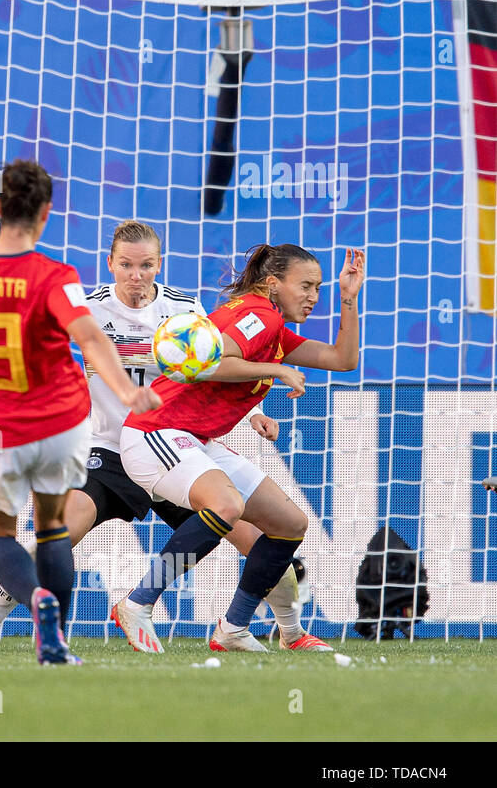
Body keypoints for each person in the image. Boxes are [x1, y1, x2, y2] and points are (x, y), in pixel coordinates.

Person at [0, 221, 331, 653]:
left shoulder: (184, 310)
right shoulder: (88, 310)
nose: (136, 275)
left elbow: (215, 368)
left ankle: (292, 632)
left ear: (158, 265)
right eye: (127, 265)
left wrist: (256, 411)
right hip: (107, 450)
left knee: (262, 541)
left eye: (146, 265)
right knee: (58, 534)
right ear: (110, 264)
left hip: (175, 444)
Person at [0, 163, 162, 665]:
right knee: (52, 529)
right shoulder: (55, 277)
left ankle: (33, 596)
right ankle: (55, 642)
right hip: (57, 426)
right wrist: (127, 392)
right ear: (45, 213)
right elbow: (90, 337)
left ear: (0, 211)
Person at [112, 243, 366, 652]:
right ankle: (138, 602)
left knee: (289, 524)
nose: (313, 297)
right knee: (226, 505)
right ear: (272, 283)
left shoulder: (273, 327)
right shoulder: (258, 313)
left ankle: (233, 628)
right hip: (154, 431)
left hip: (194, 440)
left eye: (318, 288)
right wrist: (277, 369)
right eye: (305, 286)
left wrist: (348, 299)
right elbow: (212, 362)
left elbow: (343, 359)